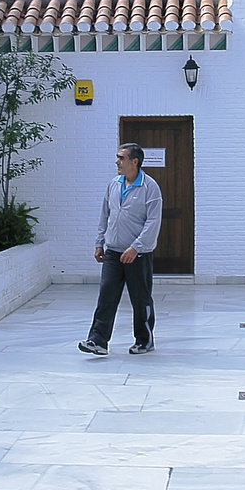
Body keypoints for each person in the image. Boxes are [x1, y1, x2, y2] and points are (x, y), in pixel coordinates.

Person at [78, 143, 162, 356]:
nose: (117, 162)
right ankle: (97, 340)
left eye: (121, 158)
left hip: (138, 254)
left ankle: (144, 340)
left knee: (140, 298)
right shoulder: (113, 184)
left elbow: (153, 222)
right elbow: (105, 214)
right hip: (113, 253)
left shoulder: (150, 187)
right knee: (106, 296)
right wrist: (99, 242)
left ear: (135, 161)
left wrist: (136, 247)